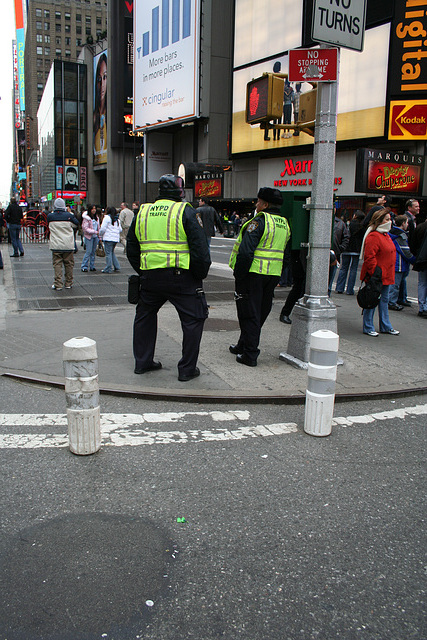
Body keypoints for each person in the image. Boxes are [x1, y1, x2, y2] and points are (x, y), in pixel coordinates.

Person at [126, 174, 211, 381]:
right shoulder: (185, 211)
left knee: (144, 317)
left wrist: (143, 270)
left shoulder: (143, 211)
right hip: (181, 278)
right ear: (179, 191)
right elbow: (200, 249)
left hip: (150, 279)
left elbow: (131, 247)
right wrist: (199, 276)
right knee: (193, 320)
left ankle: (143, 362)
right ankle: (187, 369)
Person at [229, 187, 291, 366]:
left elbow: (245, 252)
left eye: (258, 202)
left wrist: (240, 275)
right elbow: (286, 255)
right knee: (259, 312)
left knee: (249, 314)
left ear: (264, 204)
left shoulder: (259, 221)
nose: (256, 205)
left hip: (253, 274)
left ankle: (250, 355)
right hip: (272, 275)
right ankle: (243, 345)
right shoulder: (284, 223)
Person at [359, 208, 399, 337]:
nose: (390, 221)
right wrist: (374, 273)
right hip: (377, 275)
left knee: (383, 301)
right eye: (387, 219)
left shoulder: (384, 235)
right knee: (372, 300)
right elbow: (370, 257)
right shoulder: (374, 236)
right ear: (379, 221)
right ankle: (369, 326)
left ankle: (385, 326)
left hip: (385, 275)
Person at [47, 198, 80, 290]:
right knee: (68, 264)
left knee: (57, 264)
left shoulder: (50, 216)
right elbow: (76, 224)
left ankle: (58, 284)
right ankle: (68, 283)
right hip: (68, 244)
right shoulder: (69, 216)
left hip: (56, 244)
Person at [388, 215, 415, 311]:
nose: (407, 225)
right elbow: (405, 251)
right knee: (395, 284)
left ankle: (393, 300)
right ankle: (391, 302)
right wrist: (414, 261)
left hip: (393, 262)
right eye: (407, 222)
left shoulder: (391, 233)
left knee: (394, 283)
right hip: (398, 263)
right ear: (403, 223)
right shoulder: (400, 235)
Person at [335, 210, 365, 295]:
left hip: (347, 248)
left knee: (344, 268)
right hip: (356, 249)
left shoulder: (348, 224)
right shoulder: (361, 227)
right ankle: (350, 289)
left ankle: (339, 287)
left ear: (355, 216)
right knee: (353, 269)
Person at [328, 209, 350, 295]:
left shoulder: (340, 223)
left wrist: (340, 248)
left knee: (330, 280)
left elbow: (346, 237)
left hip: (335, 254)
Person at [411, 218, 427, 318]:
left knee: (422, 283)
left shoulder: (421, 227)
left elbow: (412, 243)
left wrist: (417, 255)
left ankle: (422, 307)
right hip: (422, 258)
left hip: (422, 259)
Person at [93, 53, 107, 165]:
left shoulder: (111, 115)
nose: (102, 83)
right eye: (99, 79)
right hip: (97, 160)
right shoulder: (94, 117)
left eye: (105, 77)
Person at [99, 206, 122, 273]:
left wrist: (100, 234)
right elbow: (120, 229)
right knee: (111, 252)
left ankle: (108, 268)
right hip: (115, 238)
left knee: (108, 253)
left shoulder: (107, 218)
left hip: (108, 238)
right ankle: (116, 266)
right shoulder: (117, 219)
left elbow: (103, 228)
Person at [81, 204, 100, 272]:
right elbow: (85, 228)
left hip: (95, 236)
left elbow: (98, 227)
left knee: (93, 252)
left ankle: (92, 266)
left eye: (95, 208)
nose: (94, 210)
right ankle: (84, 266)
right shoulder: (86, 218)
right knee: (88, 252)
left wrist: (99, 237)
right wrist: (94, 232)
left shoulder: (96, 217)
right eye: (92, 209)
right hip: (89, 236)